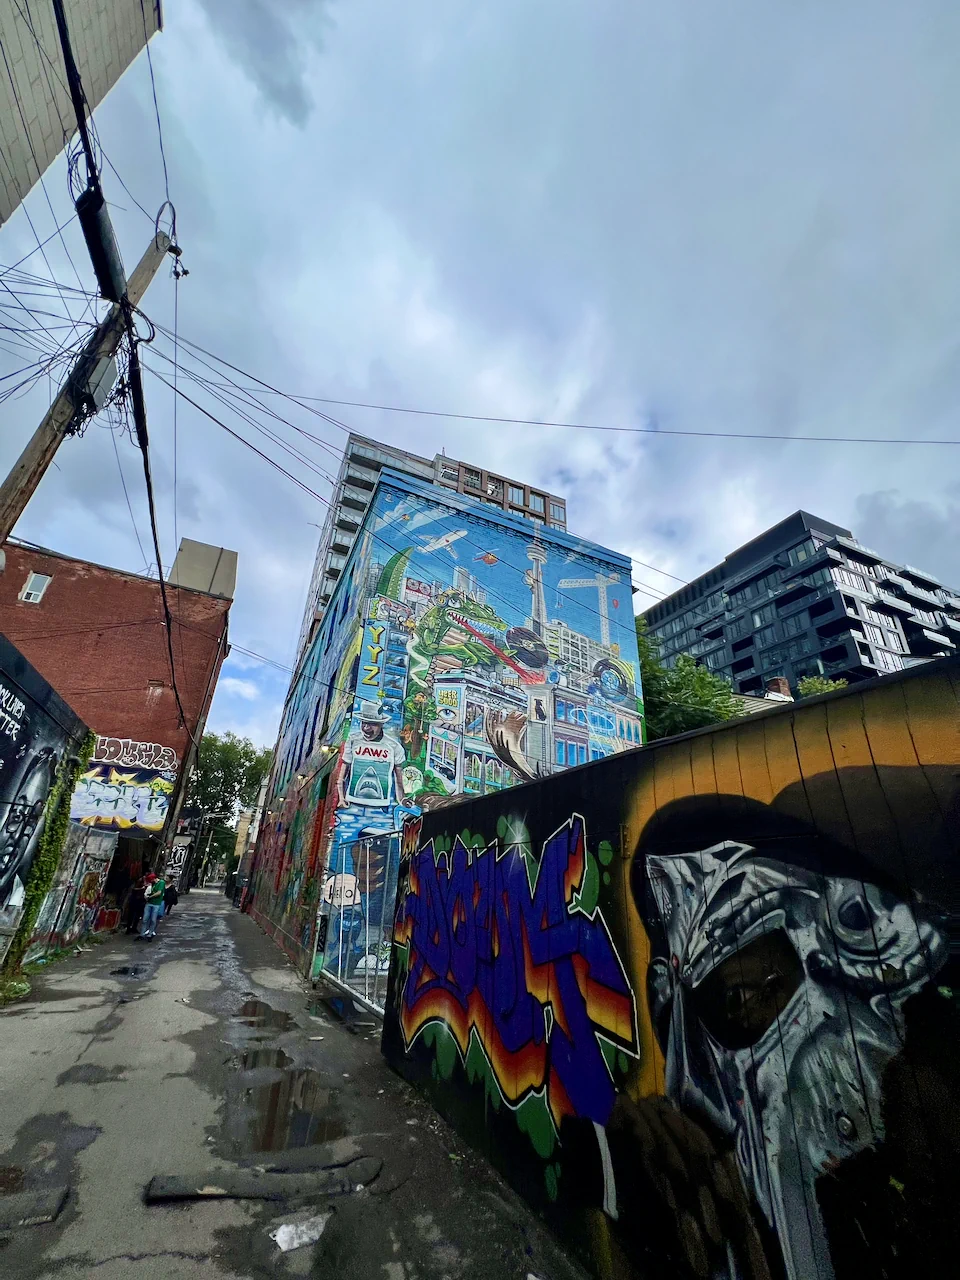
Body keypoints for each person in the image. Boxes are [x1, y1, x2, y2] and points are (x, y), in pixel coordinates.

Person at [337, 701, 406, 809]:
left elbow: (399, 780)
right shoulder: (353, 740)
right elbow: (343, 773)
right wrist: (341, 798)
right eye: (363, 722)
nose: (366, 728)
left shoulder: (394, 747)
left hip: (381, 806)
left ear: (381, 724)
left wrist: (402, 800)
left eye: (372, 723)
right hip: (352, 803)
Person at [139, 871, 165, 939]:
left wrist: (150, 897)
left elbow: (159, 893)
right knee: (145, 919)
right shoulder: (153, 884)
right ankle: (142, 934)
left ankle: (150, 934)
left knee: (153, 920)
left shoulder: (161, 883)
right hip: (149, 903)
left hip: (156, 903)